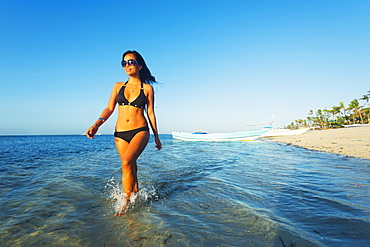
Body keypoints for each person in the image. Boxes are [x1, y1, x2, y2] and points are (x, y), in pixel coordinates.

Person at [85, 50, 162, 216]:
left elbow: (151, 113)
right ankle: (135, 193)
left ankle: (125, 203)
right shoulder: (118, 86)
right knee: (130, 166)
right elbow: (109, 108)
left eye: (131, 62)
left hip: (140, 130)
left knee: (126, 161)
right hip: (120, 133)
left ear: (139, 66)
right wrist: (97, 124)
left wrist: (156, 136)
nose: (127, 65)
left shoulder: (147, 89)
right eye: (124, 63)